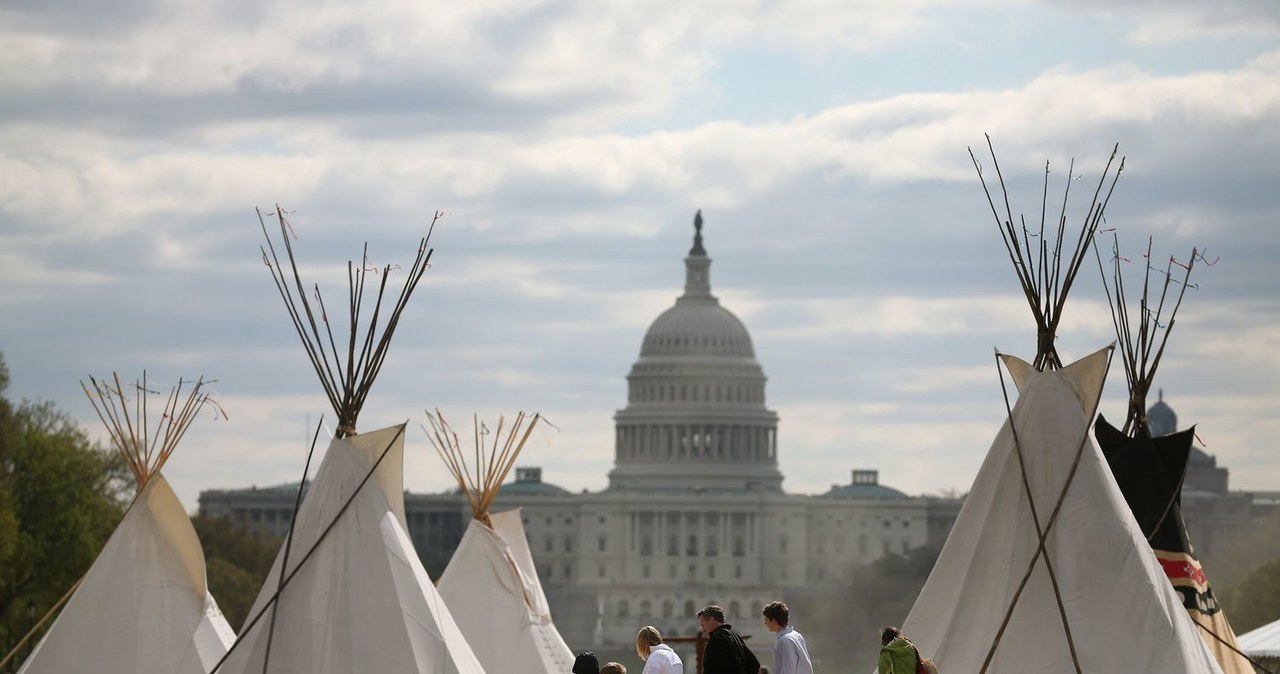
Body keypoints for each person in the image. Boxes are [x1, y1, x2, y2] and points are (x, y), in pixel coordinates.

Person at [698, 604, 761, 674]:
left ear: (712, 620)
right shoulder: (735, 636)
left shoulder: (716, 638)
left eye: (703, 625)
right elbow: (754, 665)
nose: (702, 629)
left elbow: (711, 668)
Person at [761, 601, 813, 674]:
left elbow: (788, 670)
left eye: (766, 620)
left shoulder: (785, 641)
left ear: (774, 621)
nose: (765, 623)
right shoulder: (797, 635)